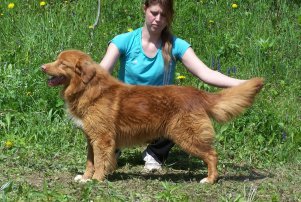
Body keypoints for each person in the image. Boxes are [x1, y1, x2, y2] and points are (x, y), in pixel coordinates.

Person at [99, 0, 247, 171]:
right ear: (145, 9)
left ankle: (155, 153)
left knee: (175, 111)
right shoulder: (124, 40)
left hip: (159, 114)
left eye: (163, 15)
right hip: (127, 113)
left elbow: (205, 73)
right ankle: (113, 147)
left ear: (169, 17)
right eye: (154, 13)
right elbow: (101, 73)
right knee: (107, 112)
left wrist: (241, 84)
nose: (158, 19)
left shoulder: (176, 45)